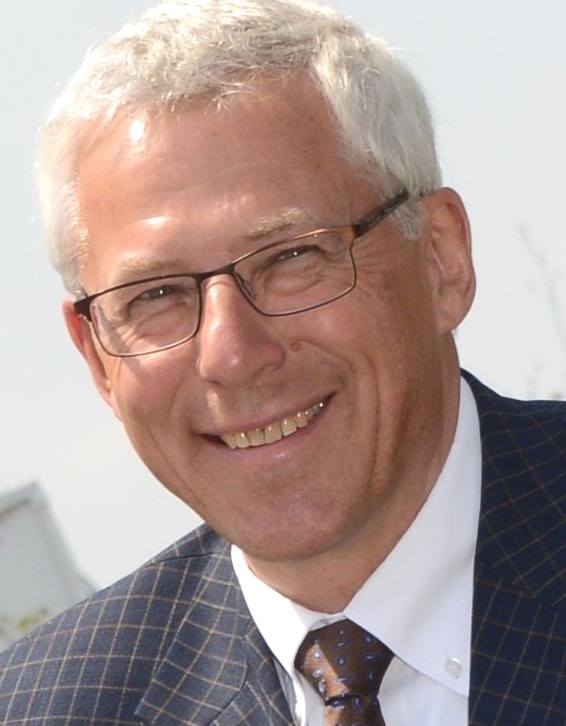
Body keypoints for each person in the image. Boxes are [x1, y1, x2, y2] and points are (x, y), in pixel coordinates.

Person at [1, 0, 564, 723]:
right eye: (157, 295)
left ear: (440, 259)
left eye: (292, 257)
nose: (231, 354)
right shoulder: (47, 708)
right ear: (97, 360)